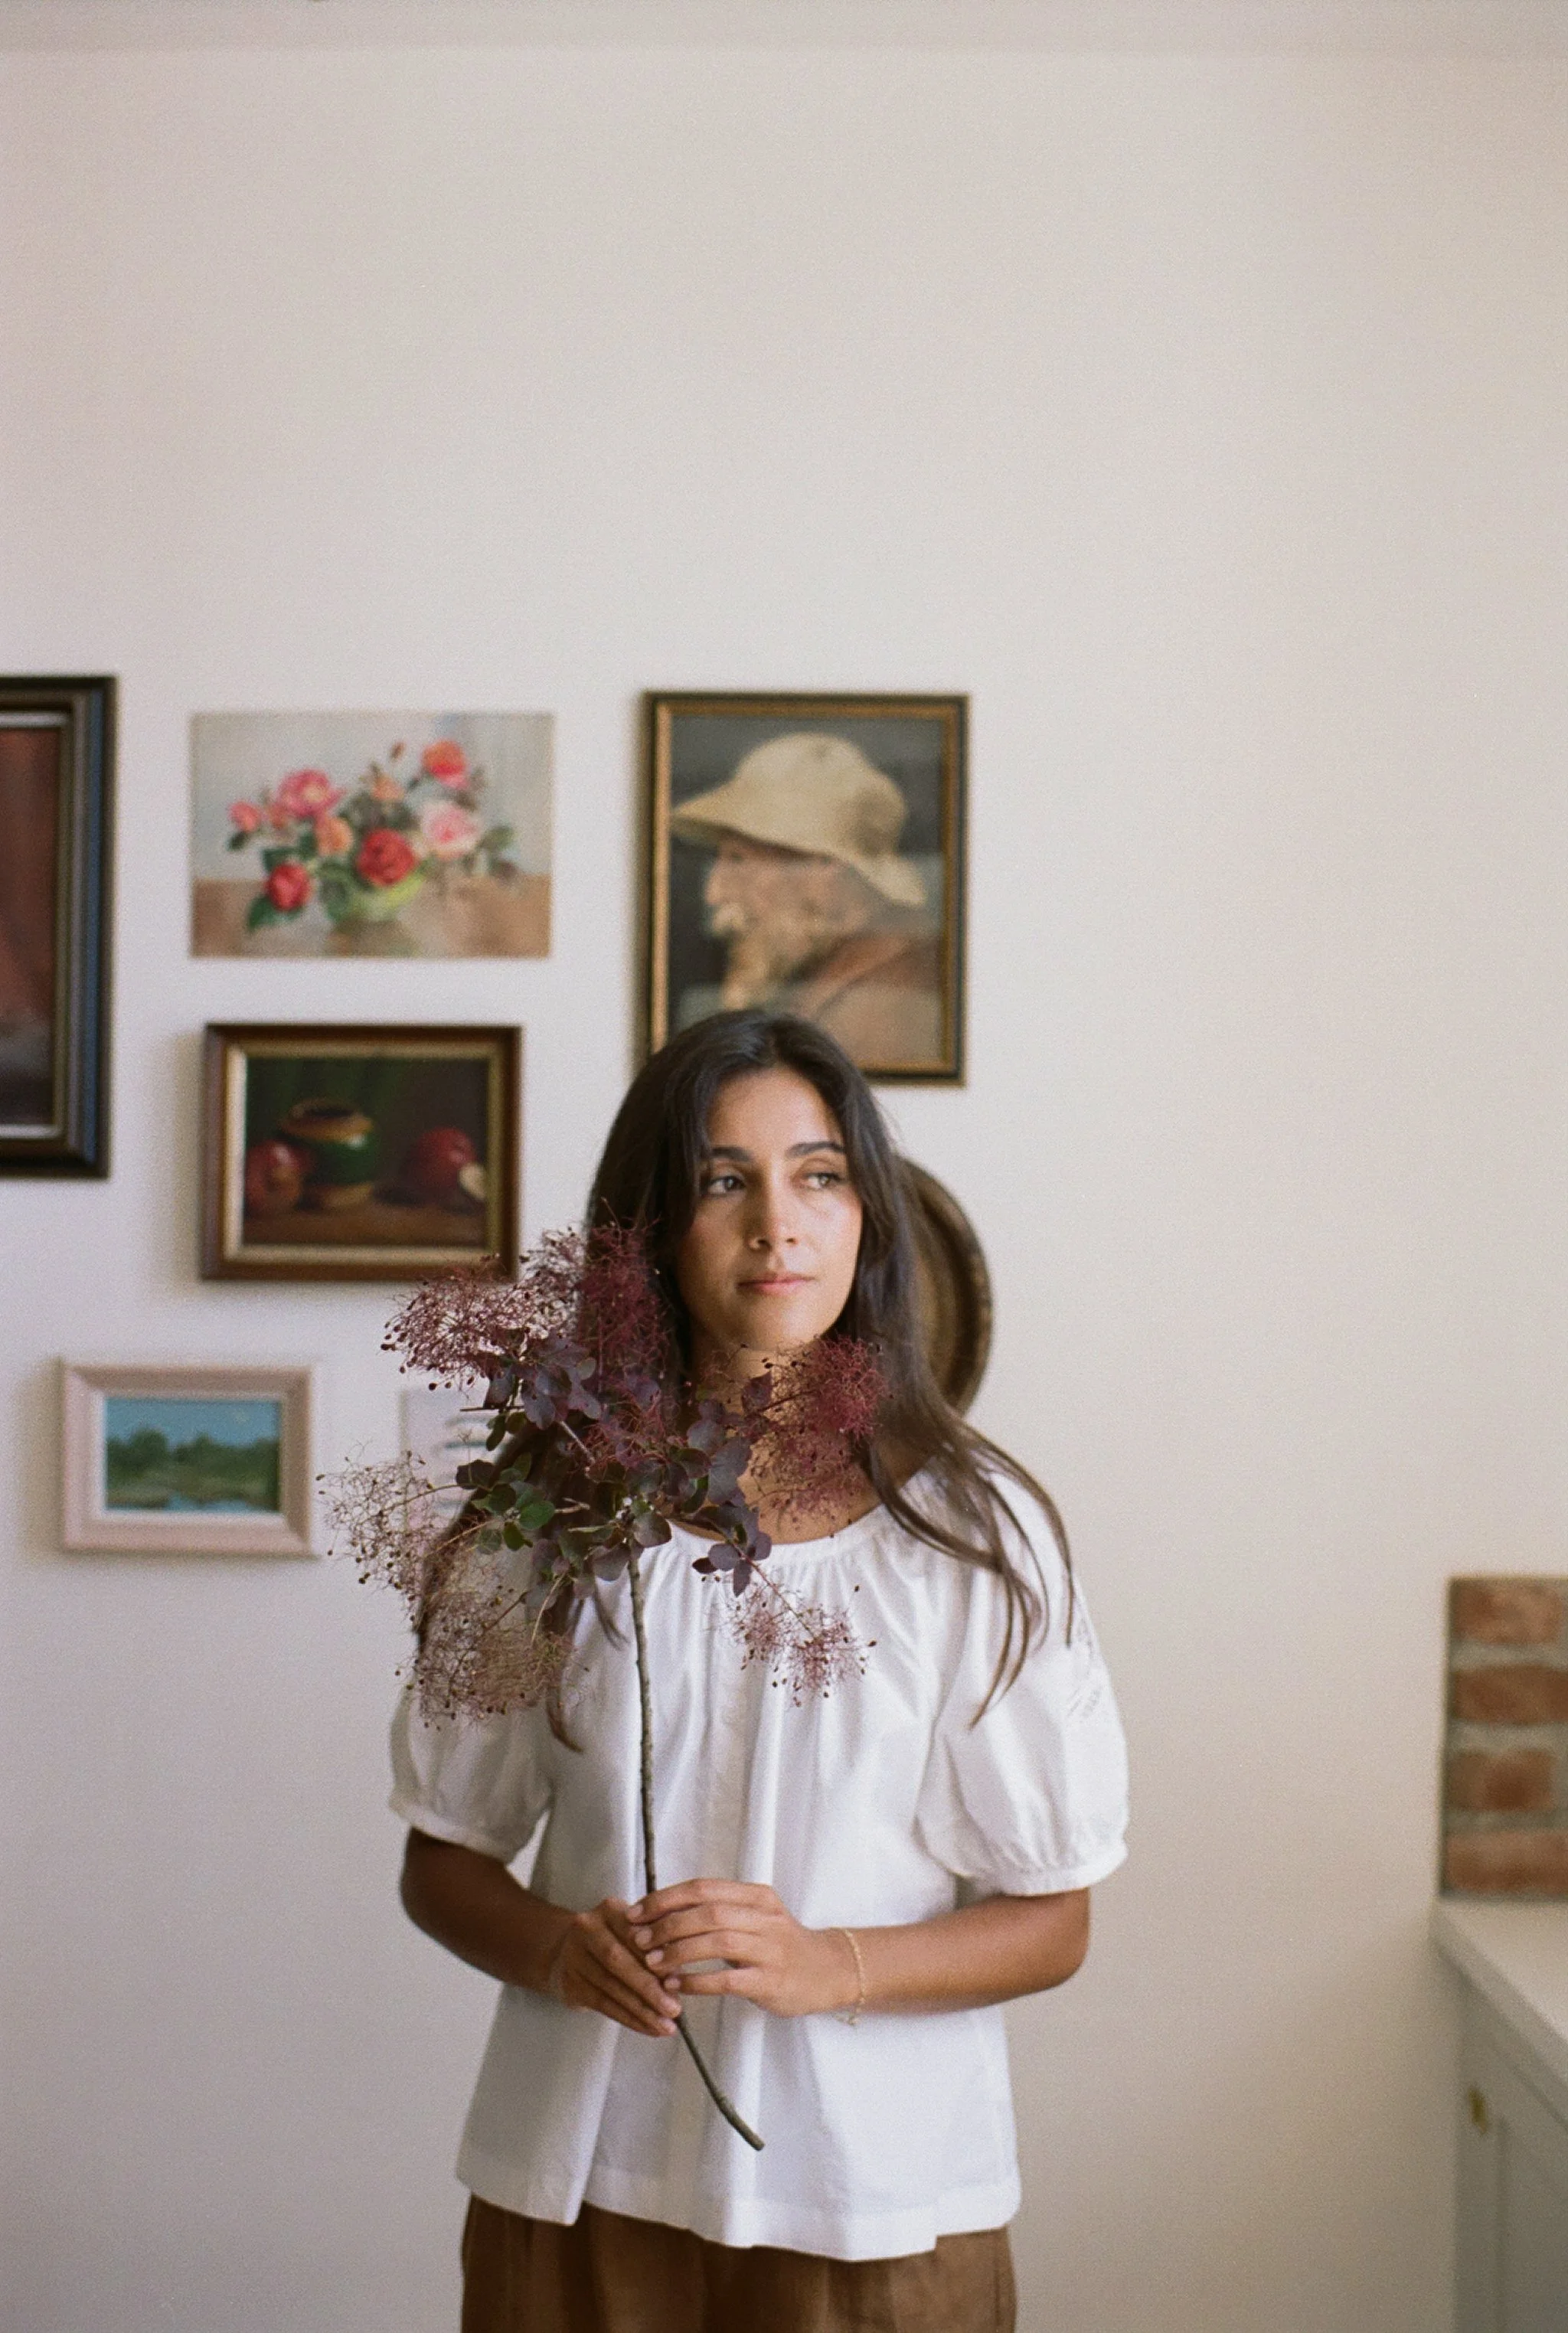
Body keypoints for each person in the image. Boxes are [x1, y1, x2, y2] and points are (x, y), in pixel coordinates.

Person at [390, 1010, 1129, 2333]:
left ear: (867, 1216)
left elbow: (1051, 1918)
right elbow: (443, 1862)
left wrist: (822, 1962)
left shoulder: (974, 1533)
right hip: (579, 2185)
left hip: (873, 2203)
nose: (775, 1224)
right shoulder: (541, 1520)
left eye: (819, 1174)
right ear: (648, 1230)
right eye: (723, 1180)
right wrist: (561, 1951)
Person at [668, 734, 945, 1070]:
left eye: (739, 860)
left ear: (823, 865)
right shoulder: (835, 969)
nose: (715, 892)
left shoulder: (892, 998)